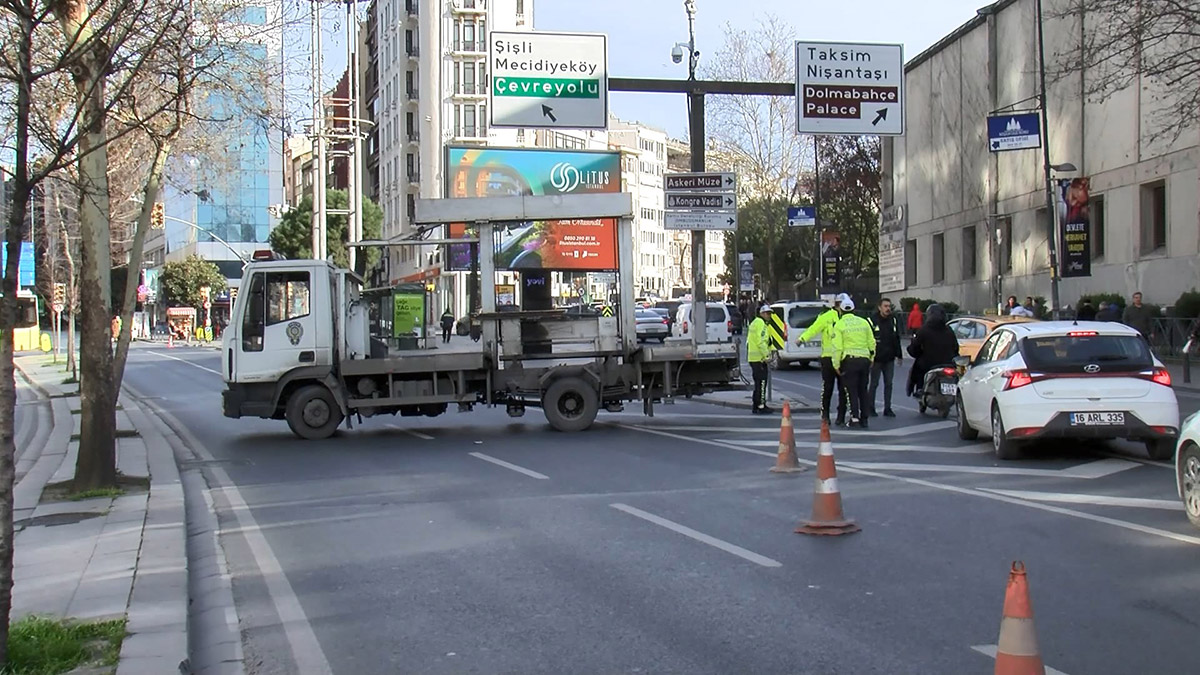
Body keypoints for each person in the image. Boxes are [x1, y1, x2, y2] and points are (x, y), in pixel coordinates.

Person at [799, 294, 848, 425]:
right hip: (828, 358)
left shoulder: (848, 317)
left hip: (843, 357)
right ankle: (825, 414)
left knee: (844, 389)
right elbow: (814, 329)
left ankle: (841, 416)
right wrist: (802, 338)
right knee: (828, 388)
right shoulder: (826, 317)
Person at [832, 297, 875, 428]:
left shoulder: (839, 325)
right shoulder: (864, 322)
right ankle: (865, 419)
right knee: (863, 390)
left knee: (851, 391)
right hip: (864, 360)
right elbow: (871, 342)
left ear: (841, 310)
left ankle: (854, 417)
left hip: (849, 361)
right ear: (853, 309)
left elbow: (837, 347)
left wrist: (836, 364)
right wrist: (871, 357)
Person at [907, 303, 960, 398]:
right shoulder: (949, 330)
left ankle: (920, 388)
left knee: (918, 368)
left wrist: (913, 351)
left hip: (929, 364)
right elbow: (955, 347)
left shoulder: (924, 330)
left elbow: (915, 347)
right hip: (949, 362)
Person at [868, 297, 903, 418]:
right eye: (885, 306)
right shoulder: (872, 320)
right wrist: (870, 356)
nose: (888, 308)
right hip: (876, 359)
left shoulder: (893, 320)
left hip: (889, 358)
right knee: (874, 384)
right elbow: (868, 339)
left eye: (889, 306)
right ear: (879, 307)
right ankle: (870, 408)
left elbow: (896, 338)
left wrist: (899, 355)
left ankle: (887, 408)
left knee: (889, 384)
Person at [747, 304, 775, 415]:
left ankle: (756, 405)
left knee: (758, 384)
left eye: (770, 313)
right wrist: (767, 356)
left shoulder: (754, 323)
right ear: (762, 313)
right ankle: (761, 406)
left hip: (753, 358)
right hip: (760, 359)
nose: (769, 316)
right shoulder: (762, 324)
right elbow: (761, 342)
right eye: (767, 313)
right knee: (762, 383)